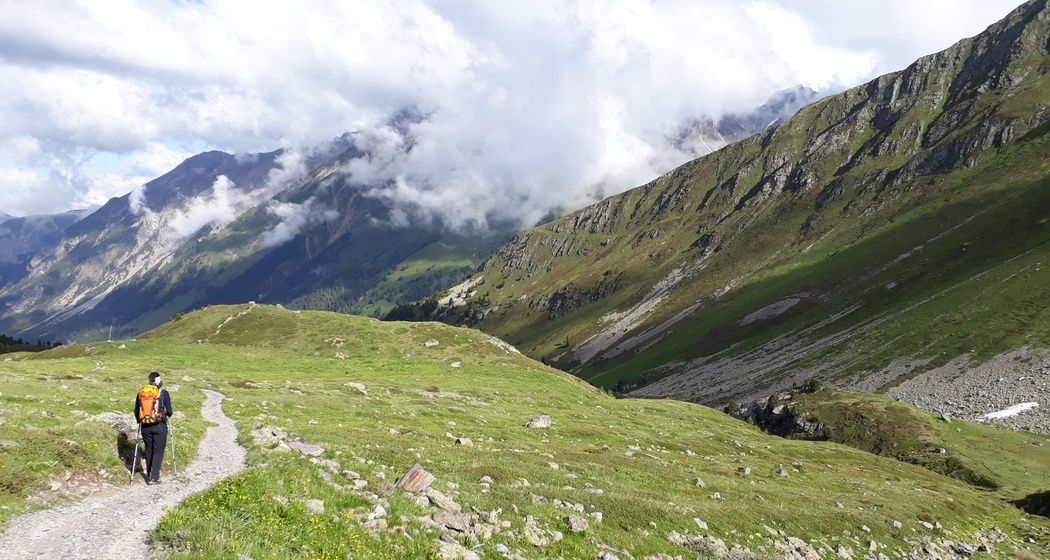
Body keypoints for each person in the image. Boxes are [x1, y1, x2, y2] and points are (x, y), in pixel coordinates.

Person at [133, 371, 173, 485]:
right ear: (159, 382)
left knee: (149, 449)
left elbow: (136, 410)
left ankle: (149, 474)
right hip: (159, 426)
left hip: (145, 426)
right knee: (158, 451)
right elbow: (169, 411)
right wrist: (167, 415)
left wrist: (139, 421)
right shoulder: (163, 393)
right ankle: (154, 477)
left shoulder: (141, 393)